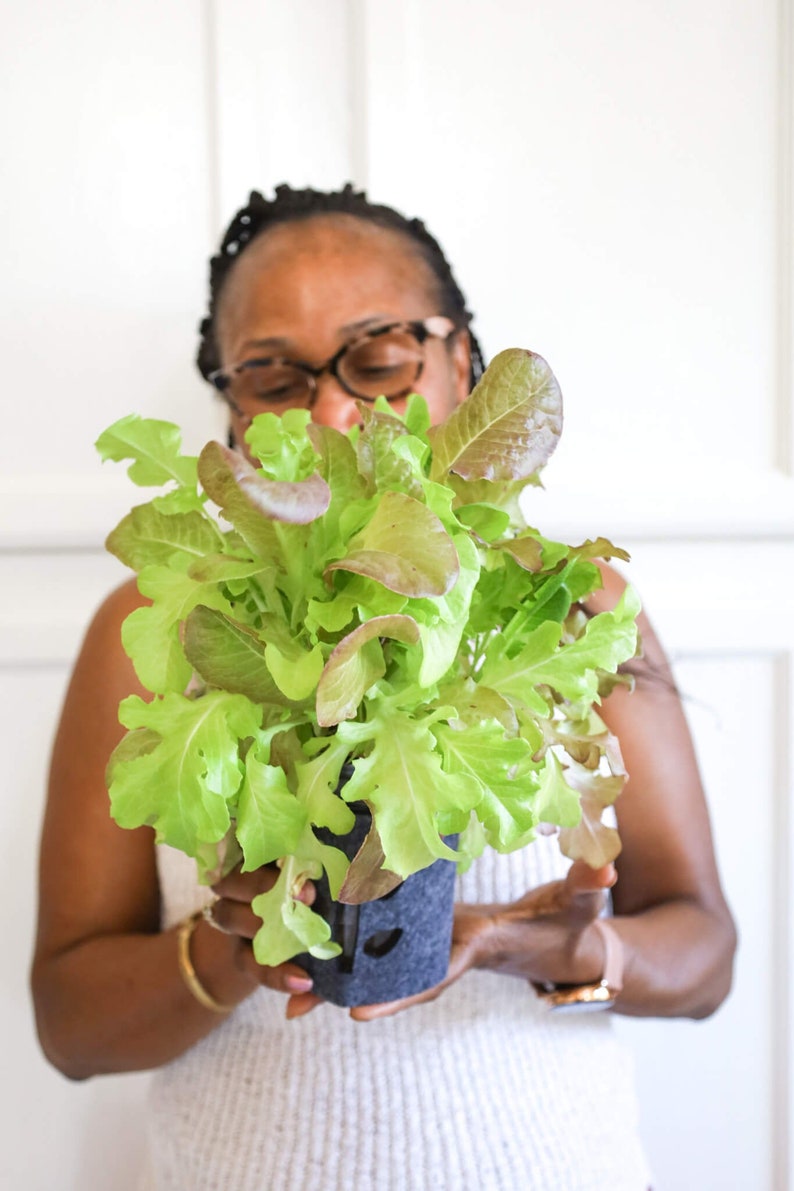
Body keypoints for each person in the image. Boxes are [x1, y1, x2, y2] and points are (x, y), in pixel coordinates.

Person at [31, 184, 737, 1191]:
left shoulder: (569, 603)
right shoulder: (152, 626)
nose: (328, 410)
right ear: (233, 408)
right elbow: (70, 1026)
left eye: (378, 360)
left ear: (460, 365)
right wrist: (239, 948)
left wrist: (557, 950)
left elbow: (703, 955)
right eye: (274, 376)